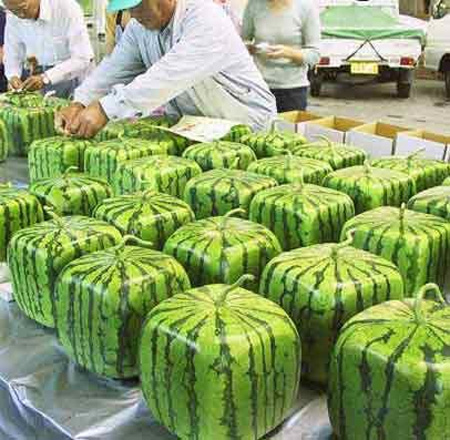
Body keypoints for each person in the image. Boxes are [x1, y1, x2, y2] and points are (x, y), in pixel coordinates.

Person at [57, 0, 276, 139]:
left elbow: (169, 75)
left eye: (137, 5)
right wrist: (81, 101)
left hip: (246, 127)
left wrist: (105, 108)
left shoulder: (205, 17)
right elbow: (112, 69)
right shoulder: (138, 29)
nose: (133, 15)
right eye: (128, 8)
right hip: (200, 130)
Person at [4, 0, 95, 99]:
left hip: (73, 76)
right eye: (13, 11)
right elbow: (12, 53)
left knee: (72, 111)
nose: (20, 15)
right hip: (38, 76)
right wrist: (13, 76)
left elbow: (82, 57)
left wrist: (46, 78)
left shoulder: (66, 7)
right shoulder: (13, 13)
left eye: (23, 8)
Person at [242, 0, 321, 112]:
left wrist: (288, 53)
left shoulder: (306, 7)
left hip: (293, 90)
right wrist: (253, 48)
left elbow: (315, 55)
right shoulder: (254, 5)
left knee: (288, 128)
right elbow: (242, 42)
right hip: (259, 87)